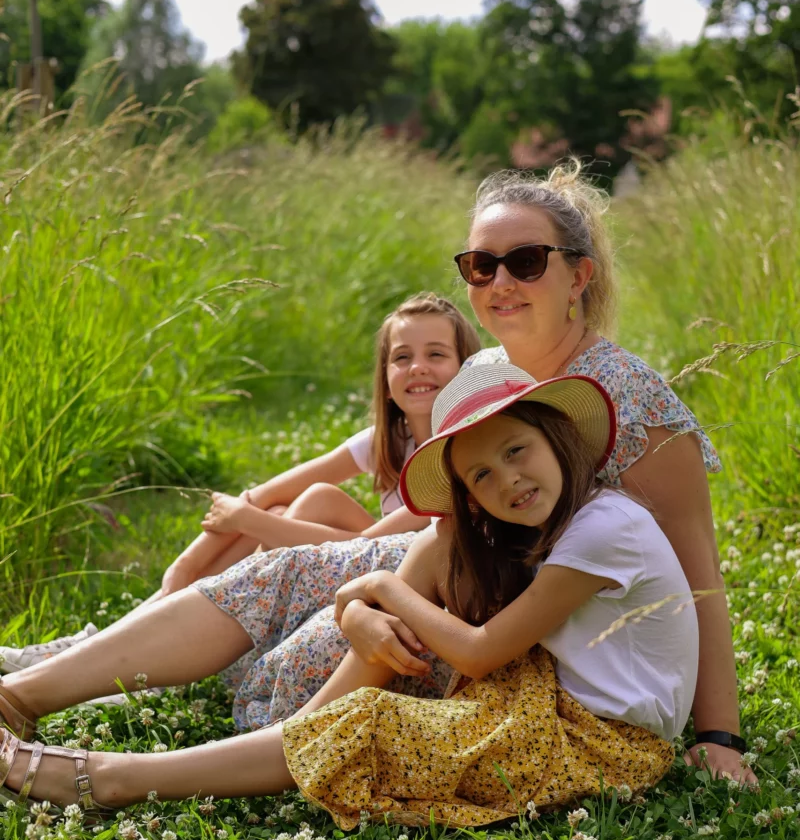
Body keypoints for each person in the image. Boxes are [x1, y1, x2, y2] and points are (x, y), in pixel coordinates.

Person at [0, 161, 750, 782]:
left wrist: (720, 735)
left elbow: (698, 577)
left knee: (273, 689)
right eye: (480, 265)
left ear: (578, 274)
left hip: (538, 655)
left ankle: (76, 689)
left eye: (525, 262)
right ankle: (26, 691)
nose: (499, 282)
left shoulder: (636, 402)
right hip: (451, 586)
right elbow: (442, 529)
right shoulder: (482, 371)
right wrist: (359, 595)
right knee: (285, 577)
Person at [0, 365, 698, 827]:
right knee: (423, 574)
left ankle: (108, 779)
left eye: (517, 452)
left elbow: (484, 654)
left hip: (601, 742)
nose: (507, 481)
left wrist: (375, 588)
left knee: (359, 726)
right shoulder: (553, 520)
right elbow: (441, 563)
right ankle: (281, 736)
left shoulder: (608, 528)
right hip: (542, 698)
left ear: (557, 436)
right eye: (481, 476)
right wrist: (363, 609)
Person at [0, 293, 479, 671]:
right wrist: (185, 567)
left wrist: (251, 519)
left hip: (403, 597)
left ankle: (147, 647)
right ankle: (112, 638)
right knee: (297, 504)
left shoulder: (456, 454)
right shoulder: (387, 438)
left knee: (292, 510)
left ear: (464, 366)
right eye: (402, 356)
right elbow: (263, 493)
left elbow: (360, 546)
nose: (417, 367)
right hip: (355, 571)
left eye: (436, 354)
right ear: (385, 373)